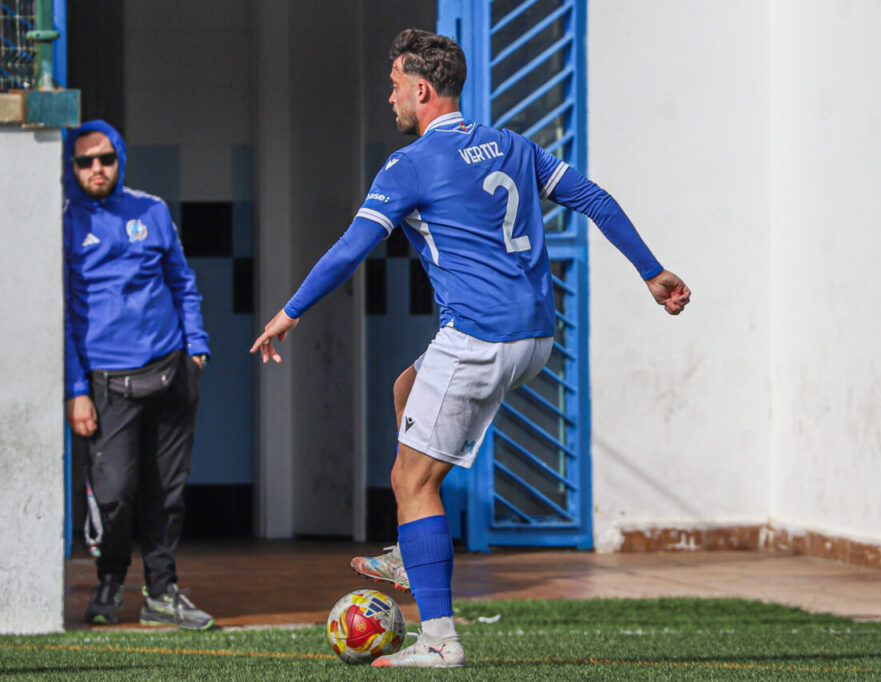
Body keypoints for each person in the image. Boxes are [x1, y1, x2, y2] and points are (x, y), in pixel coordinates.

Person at [251, 29, 690, 667]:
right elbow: (592, 198)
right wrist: (652, 271)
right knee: (406, 387)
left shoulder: (409, 166)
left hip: (479, 338)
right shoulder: (512, 145)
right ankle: (412, 546)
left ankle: (438, 641)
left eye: (395, 87)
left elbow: (350, 250)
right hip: (536, 336)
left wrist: (289, 313)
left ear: (421, 89)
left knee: (412, 479)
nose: (390, 99)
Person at [64, 120, 215, 630]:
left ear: (120, 159)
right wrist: (76, 390)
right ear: (73, 167)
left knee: (167, 493)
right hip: (107, 386)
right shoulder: (63, 221)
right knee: (114, 494)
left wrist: (196, 350)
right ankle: (108, 582)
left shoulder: (150, 209)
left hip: (172, 373)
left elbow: (182, 283)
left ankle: (162, 594)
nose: (96, 169)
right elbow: (60, 313)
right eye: (85, 161)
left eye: (105, 158)